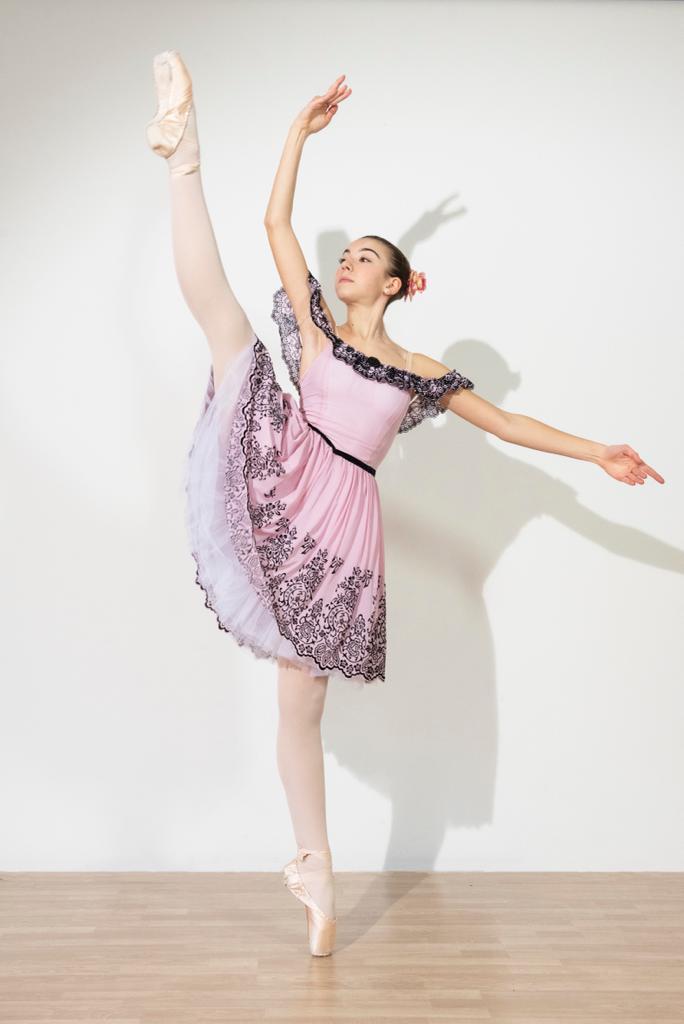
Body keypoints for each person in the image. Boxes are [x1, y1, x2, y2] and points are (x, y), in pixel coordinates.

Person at [145, 51, 665, 957]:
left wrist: (595, 451)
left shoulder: (422, 373)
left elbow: (505, 423)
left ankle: (315, 869)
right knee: (227, 326)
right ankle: (182, 155)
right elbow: (276, 222)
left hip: (344, 518)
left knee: (301, 701)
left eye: (365, 259)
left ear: (395, 284)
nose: (345, 263)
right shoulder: (315, 327)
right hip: (291, 462)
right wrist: (298, 134)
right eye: (345, 256)